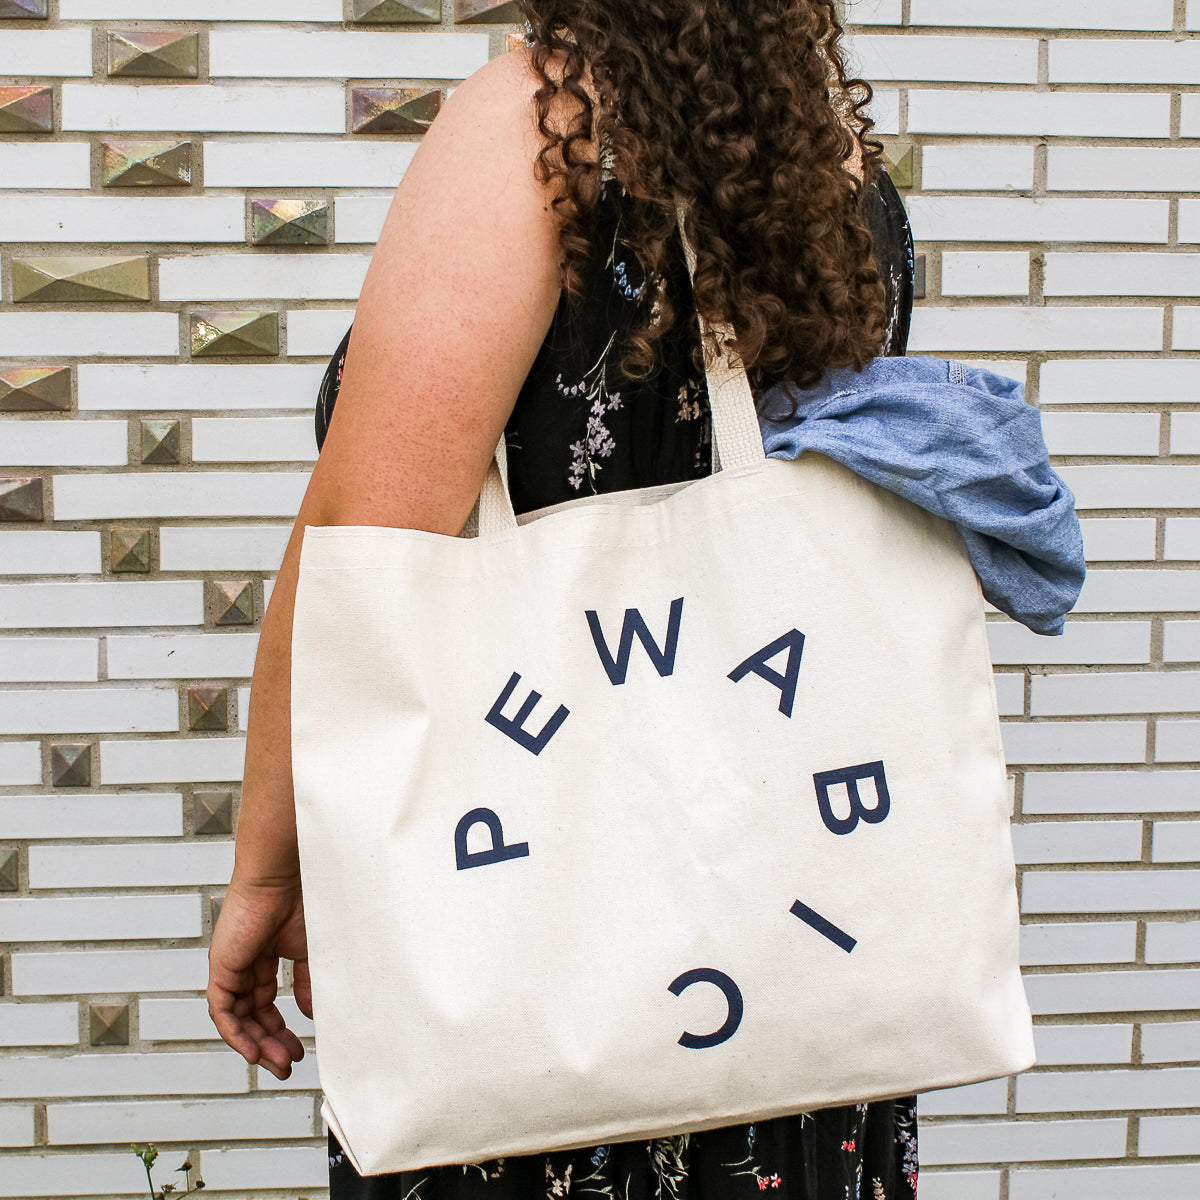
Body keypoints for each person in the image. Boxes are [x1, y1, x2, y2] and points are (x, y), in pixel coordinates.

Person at [208, 2, 918, 1196]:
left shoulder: (535, 127)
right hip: (780, 939)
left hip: (537, 939)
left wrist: (268, 875)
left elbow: (360, 565)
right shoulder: (827, 154)